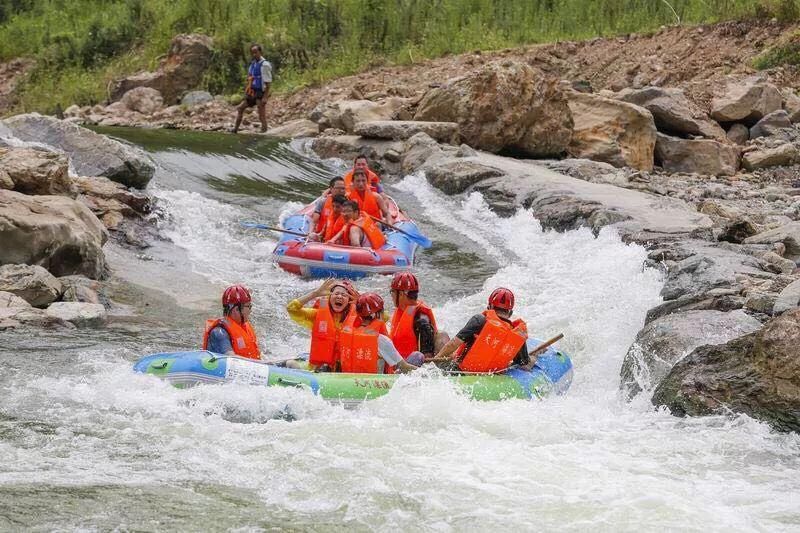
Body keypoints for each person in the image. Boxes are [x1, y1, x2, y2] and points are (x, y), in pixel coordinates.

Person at [431, 288, 532, 373]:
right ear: (510, 312)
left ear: (490, 307)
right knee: (531, 358)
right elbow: (523, 364)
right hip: (493, 375)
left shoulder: (479, 320)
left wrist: (436, 360)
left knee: (441, 335)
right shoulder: (517, 332)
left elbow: (453, 344)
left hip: (460, 372)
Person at [287, 279, 358, 371]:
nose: (339, 296)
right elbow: (292, 309)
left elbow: (381, 318)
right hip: (317, 369)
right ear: (329, 297)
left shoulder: (360, 318)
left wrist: (361, 303)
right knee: (290, 363)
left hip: (345, 371)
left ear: (350, 301)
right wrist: (315, 293)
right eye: (336, 294)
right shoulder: (316, 315)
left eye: (344, 295)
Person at [339, 292, 418, 374]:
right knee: (418, 356)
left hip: (347, 380)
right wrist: (425, 373)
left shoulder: (346, 331)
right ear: (376, 315)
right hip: (372, 383)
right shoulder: (381, 340)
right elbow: (404, 367)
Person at [388, 272, 445, 364]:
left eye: (392, 292)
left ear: (402, 294)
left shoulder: (421, 320)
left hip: (410, 368)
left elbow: (427, 357)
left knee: (417, 356)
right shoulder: (402, 311)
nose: (391, 296)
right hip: (397, 364)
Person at [202, 285, 262, 360]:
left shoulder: (243, 327)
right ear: (236, 309)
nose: (250, 311)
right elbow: (231, 359)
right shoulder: (219, 333)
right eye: (249, 307)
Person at [232, 44, 273, 134]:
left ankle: (264, 131)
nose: (254, 54)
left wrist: (265, 97)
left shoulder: (265, 65)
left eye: (256, 52)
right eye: (252, 53)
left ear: (260, 52)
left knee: (261, 113)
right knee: (240, 108)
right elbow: (249, 78)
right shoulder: (253, 64)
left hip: (260, 92)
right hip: (252, 92)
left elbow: (268, 83)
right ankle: (235, 129)